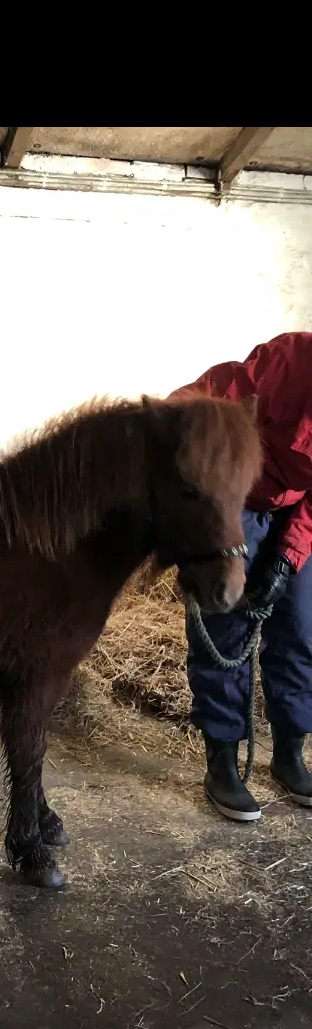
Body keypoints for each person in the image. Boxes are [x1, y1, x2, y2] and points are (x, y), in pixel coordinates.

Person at [170, 331, 312, 821]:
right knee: (224, 621)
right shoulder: (289, 359)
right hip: (238, 500)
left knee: (298, 629)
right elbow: (199, 402)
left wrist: (285, 560)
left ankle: (290, 752)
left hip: (296, 512)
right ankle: (223, 760)